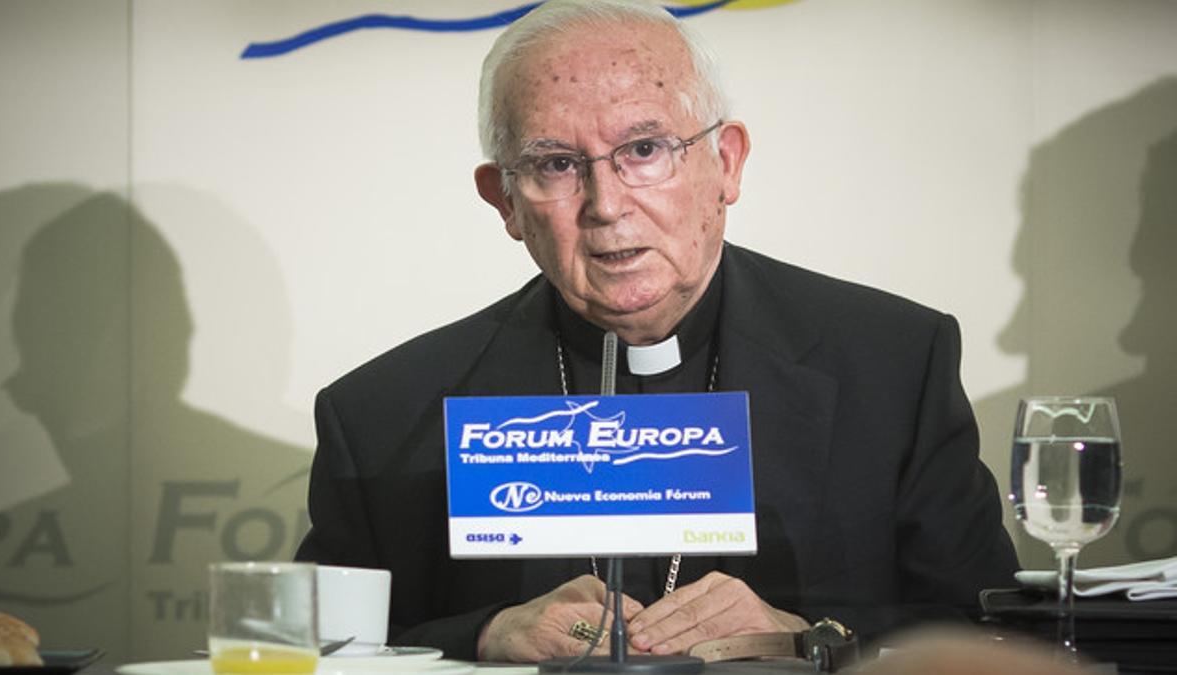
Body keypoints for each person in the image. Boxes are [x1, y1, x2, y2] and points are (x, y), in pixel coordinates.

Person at [295, 0, 1019, 663]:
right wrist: (485, 634)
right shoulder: (384, 414)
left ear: (725, 163)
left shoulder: (891, 365)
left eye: (644, 149)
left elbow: (993, 631)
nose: (607, 205)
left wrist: (806, 636)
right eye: (556, 164)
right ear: (505, 202)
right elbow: (301, 648)